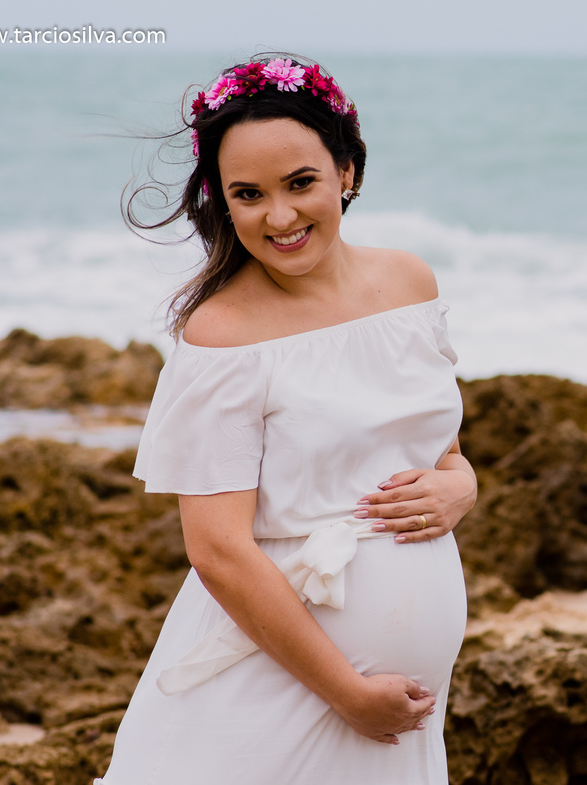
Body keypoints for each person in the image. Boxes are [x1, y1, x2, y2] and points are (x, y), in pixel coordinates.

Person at [96, 56, 477, 784]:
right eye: (249, 194)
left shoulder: (409, 283)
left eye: (301, 183)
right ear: (224, 202)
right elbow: (217, 551)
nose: (279, 216)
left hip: (392, 715)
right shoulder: (223, 337)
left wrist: (463, 488)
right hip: (272, 694)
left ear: (347, 173)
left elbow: (443, 453)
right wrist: (347, 693)